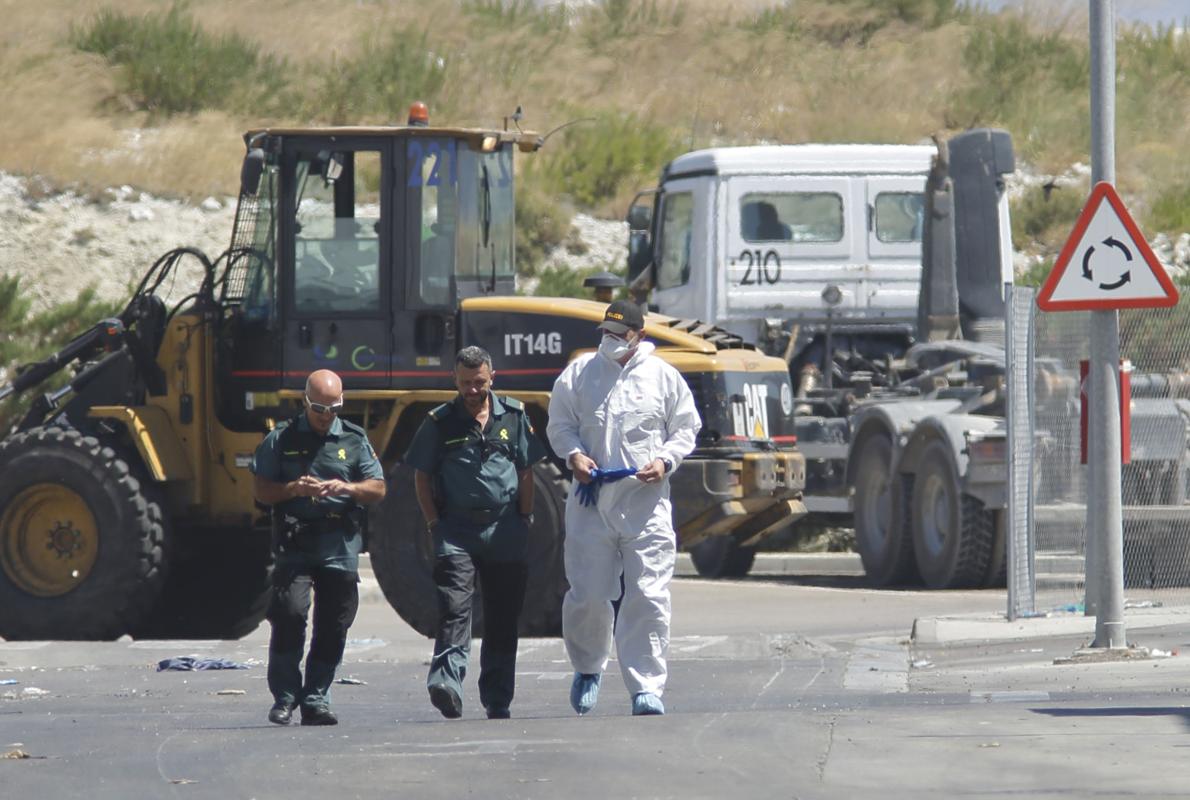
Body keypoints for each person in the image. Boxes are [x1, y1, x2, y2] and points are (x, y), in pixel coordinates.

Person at [546, 299, 701, 716]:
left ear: (639, 336)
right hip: (592, 502)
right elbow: (559, 423)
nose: (610, 341)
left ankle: (646, 687)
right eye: (606, 333)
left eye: (620, 335)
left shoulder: (663, 377)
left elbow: (686, 428)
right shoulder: (579, 374)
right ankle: (588, 667)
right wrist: (574, 455)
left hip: (645, 503)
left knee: (648, 595)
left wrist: (666, 461)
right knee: (589, 596)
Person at [404, 346, 547, 720]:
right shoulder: (439, 422)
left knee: (503, 615)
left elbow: (527, 470)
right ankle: (447, 683)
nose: (472, 390)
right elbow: (421, 476)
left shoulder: (514, 416)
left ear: (492, 377)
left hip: (504, 528)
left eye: (479, 382)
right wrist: (435, 523)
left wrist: (525, 517)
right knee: (454, 606)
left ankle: (498, 697)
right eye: (465, 383)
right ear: (455, 379)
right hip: (457, 530)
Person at [251, 369, 386, 726]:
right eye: (319, 408)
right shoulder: (281, 438)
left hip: (338, 541)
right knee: (290, 613)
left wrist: (345, 488)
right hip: (296, 540)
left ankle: (316, 697)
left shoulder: (354, 439)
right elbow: (261, 490)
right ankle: (285, 696)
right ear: (304, 402)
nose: (326, 416)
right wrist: (294, 489)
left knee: (334, 621)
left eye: (334, 408)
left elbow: (378, 488)